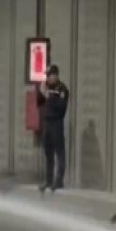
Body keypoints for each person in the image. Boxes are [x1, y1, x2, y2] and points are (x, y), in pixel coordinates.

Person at [36, 64, 70, 192]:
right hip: (47, 123)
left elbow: (61, 107)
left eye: (49, 75)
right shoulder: (46, 88)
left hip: (57, 122)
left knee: (59, 152)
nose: (48, 78)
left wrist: (48, 96)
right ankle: (48, 180)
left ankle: (59, 180)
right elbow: (39, 103)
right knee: (48, 152)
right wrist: (40, 92)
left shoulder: (62, 90)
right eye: (47, 76)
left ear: (55, 75)